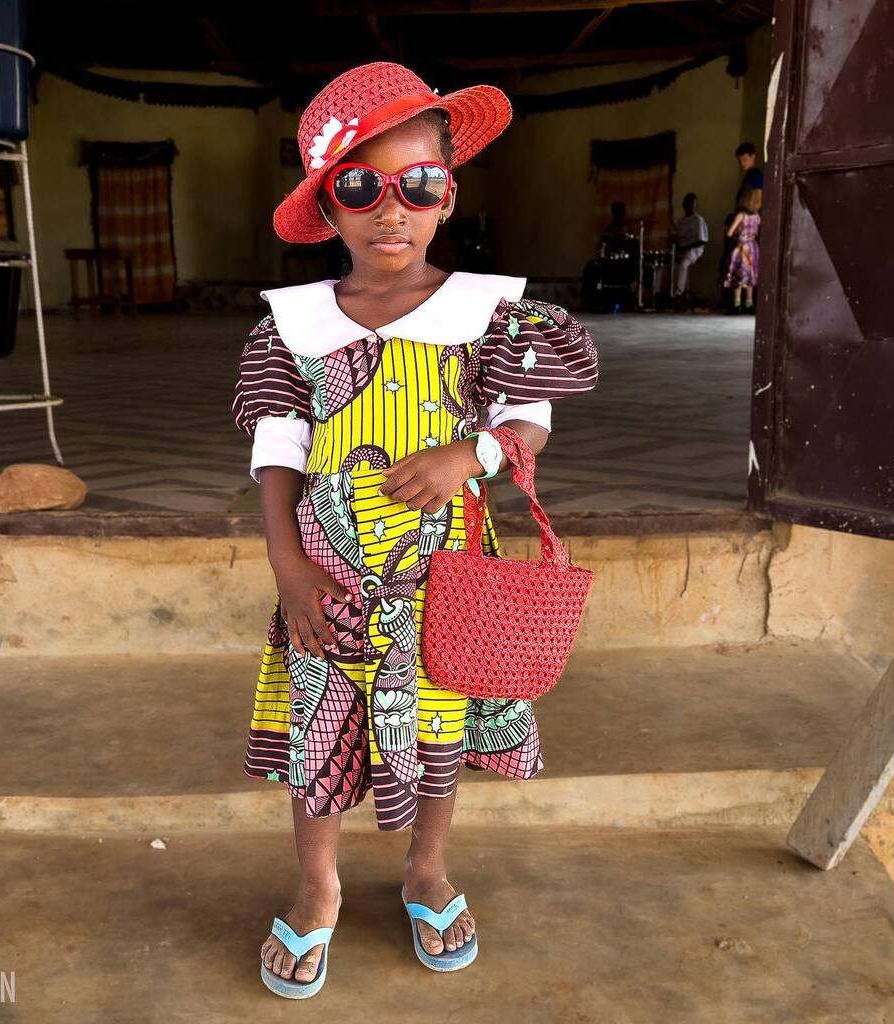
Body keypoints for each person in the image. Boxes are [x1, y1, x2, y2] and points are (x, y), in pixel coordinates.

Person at [232, 62, 599, 998]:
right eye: (359, 185)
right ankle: (318, 887)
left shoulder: (489, 318)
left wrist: (467, 458)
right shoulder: (295, 329)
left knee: (441, 729)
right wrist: (286, 567)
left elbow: (530, 426)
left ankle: (426, 868)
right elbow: (277, 454)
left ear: (448, 194)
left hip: (447, 582)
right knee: (323, 730)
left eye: (416, 184)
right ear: (328, 205)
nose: (389, 210)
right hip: (330, 585)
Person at [723, 187, 760, 312]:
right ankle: (749, 304)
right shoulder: (757, 216)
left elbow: (729, 232)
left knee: (738, 276)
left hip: (741, 247)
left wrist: (732, 241)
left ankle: (736, 304)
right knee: (750, 276)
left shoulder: (740, 215)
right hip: (753, 248)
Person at [671, 192, 708, 305]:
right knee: (665, 263)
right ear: (683, 205)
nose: (691, 206)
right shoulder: (681, 221)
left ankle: (679, 294)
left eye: (693, 204)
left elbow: (702, 240)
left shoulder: (698, 220)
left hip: (695, 250)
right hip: (682, 249)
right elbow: (678, 239)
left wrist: (685, 248)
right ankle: (660, 292)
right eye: (688, 204)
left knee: (683, 264)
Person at [734, 142, 764, 212]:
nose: (742, 164)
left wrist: (745, 218)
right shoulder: (749, 175)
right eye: (740, 161)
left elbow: (758, 202)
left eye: (745, 160)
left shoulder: (756, 176)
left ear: (753, 157)